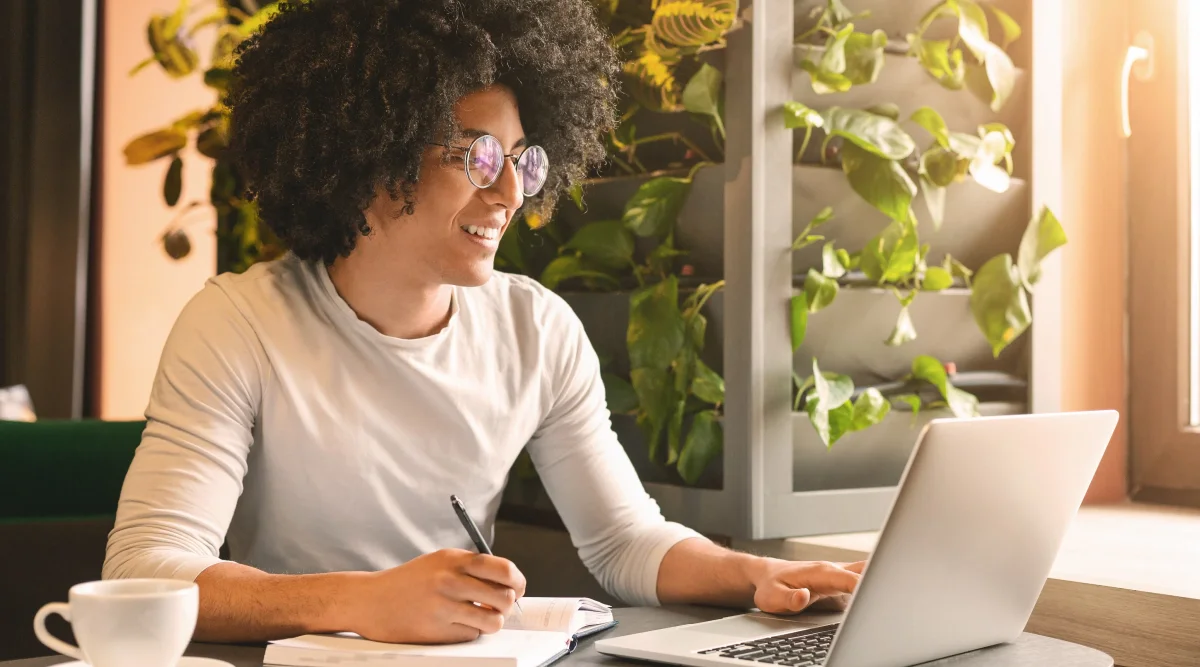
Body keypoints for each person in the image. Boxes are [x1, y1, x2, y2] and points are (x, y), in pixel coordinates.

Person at [103, 0, 864, 645]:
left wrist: (756, 575)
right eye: (479, 155)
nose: (510, 194)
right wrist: (364, 601)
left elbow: (625, 539)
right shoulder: (239, 324)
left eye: (524, 162)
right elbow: (144, 568)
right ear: (373, 155)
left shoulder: (538, 329)